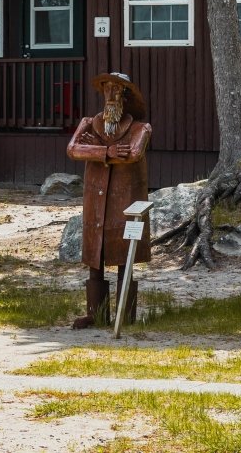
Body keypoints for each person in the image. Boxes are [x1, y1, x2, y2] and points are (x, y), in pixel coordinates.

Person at [66, 72, 152, 329]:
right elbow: (73, 149)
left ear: (126, 96)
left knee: (124, 251)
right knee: (95, 254)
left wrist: (94, 151)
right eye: (107, 89)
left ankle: (124, 314)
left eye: (117, 90)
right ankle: (96, 313)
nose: (111, 95)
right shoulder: (89, 124)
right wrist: (106, 151)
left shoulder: (140, 128)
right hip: (95, 200)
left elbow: (133, 153)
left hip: (125, 201)